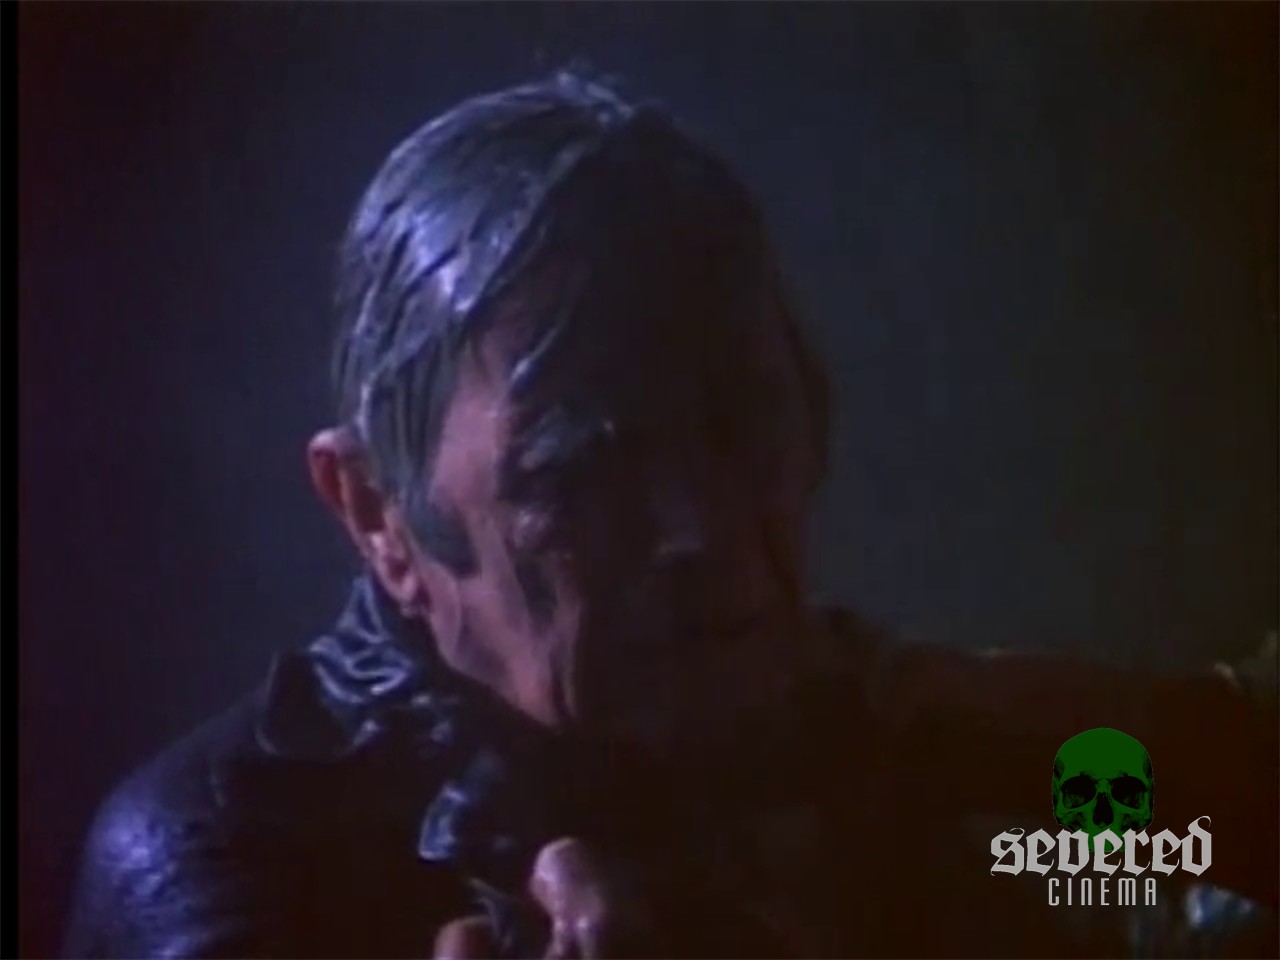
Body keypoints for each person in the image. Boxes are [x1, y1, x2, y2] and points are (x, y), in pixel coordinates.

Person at [62, 74, 1278, 959]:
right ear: (379, 514)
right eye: (582, 466)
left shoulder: (887, 738)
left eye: (743, 421)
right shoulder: (234, 868)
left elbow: (1155, 864)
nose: (701, 526)